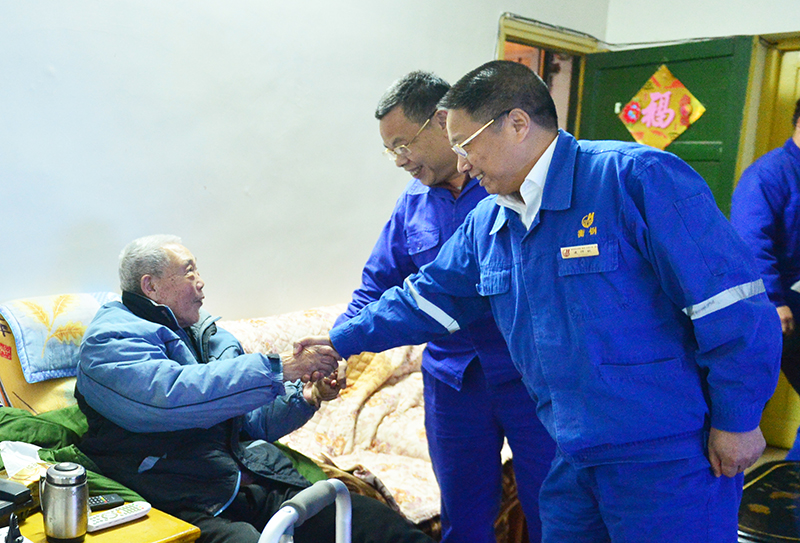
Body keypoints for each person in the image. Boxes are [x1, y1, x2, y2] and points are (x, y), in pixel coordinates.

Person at [299, 60, 782, 542]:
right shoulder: (489, 222)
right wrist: (339, 340)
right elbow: (425, 298)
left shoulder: (633, 178)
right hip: (571, 454)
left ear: (517, 124)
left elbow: (730, 305)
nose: (462, 164)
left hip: (665, 455)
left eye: (466, 145)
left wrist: (739, 419)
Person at [74, 235, 433, 543]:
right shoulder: (110, 340)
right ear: (150, 286)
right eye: (189, 271)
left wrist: (308, 396)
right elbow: (171, 397)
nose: (201, 282)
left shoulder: (207, 334)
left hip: (242, 480)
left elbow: (252, 421)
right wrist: (282, 368)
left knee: (377, 524)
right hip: (176, 498)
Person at [337, 71, 554, 543]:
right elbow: (376, 286)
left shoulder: (509, 185)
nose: (399, 159)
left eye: (402, 144)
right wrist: (333, 346)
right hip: (452, 383)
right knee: (463, 516)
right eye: (390, 150)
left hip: (528, 377)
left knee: (553, 510)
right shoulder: (412, 204)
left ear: (441, 122)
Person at [730, 97, 800, 458]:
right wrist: (773, 301)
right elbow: (750, 242)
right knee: (745, 400)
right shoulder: (769, 174)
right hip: (777, 306)